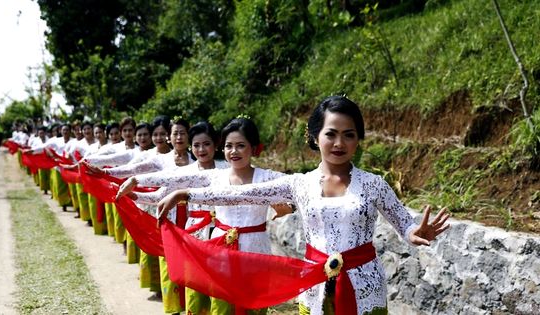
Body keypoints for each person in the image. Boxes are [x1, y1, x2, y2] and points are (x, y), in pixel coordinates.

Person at [157, 96, 451, 315]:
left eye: (349, 134)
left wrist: (415, 232)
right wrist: (187, 194)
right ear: (315, 137)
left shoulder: (374, 184)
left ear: (358, 139)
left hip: (364, 286)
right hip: (313, 285)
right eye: (331, 134)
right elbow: (244, 194)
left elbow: (403, 221)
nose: (339, 142)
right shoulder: (299, 183)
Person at [131, 117, 292, 314]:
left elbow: (298, 189)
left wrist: (288, 208)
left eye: (241, 145)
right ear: (222, 149)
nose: (234, 151)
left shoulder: (267, 177)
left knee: (255, 305)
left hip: (255, 249)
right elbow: (172, 178)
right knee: (220, 306)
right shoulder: (216, 176)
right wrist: (135, 180)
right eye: (229, 146)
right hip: (221, 248)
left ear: (254, 148)